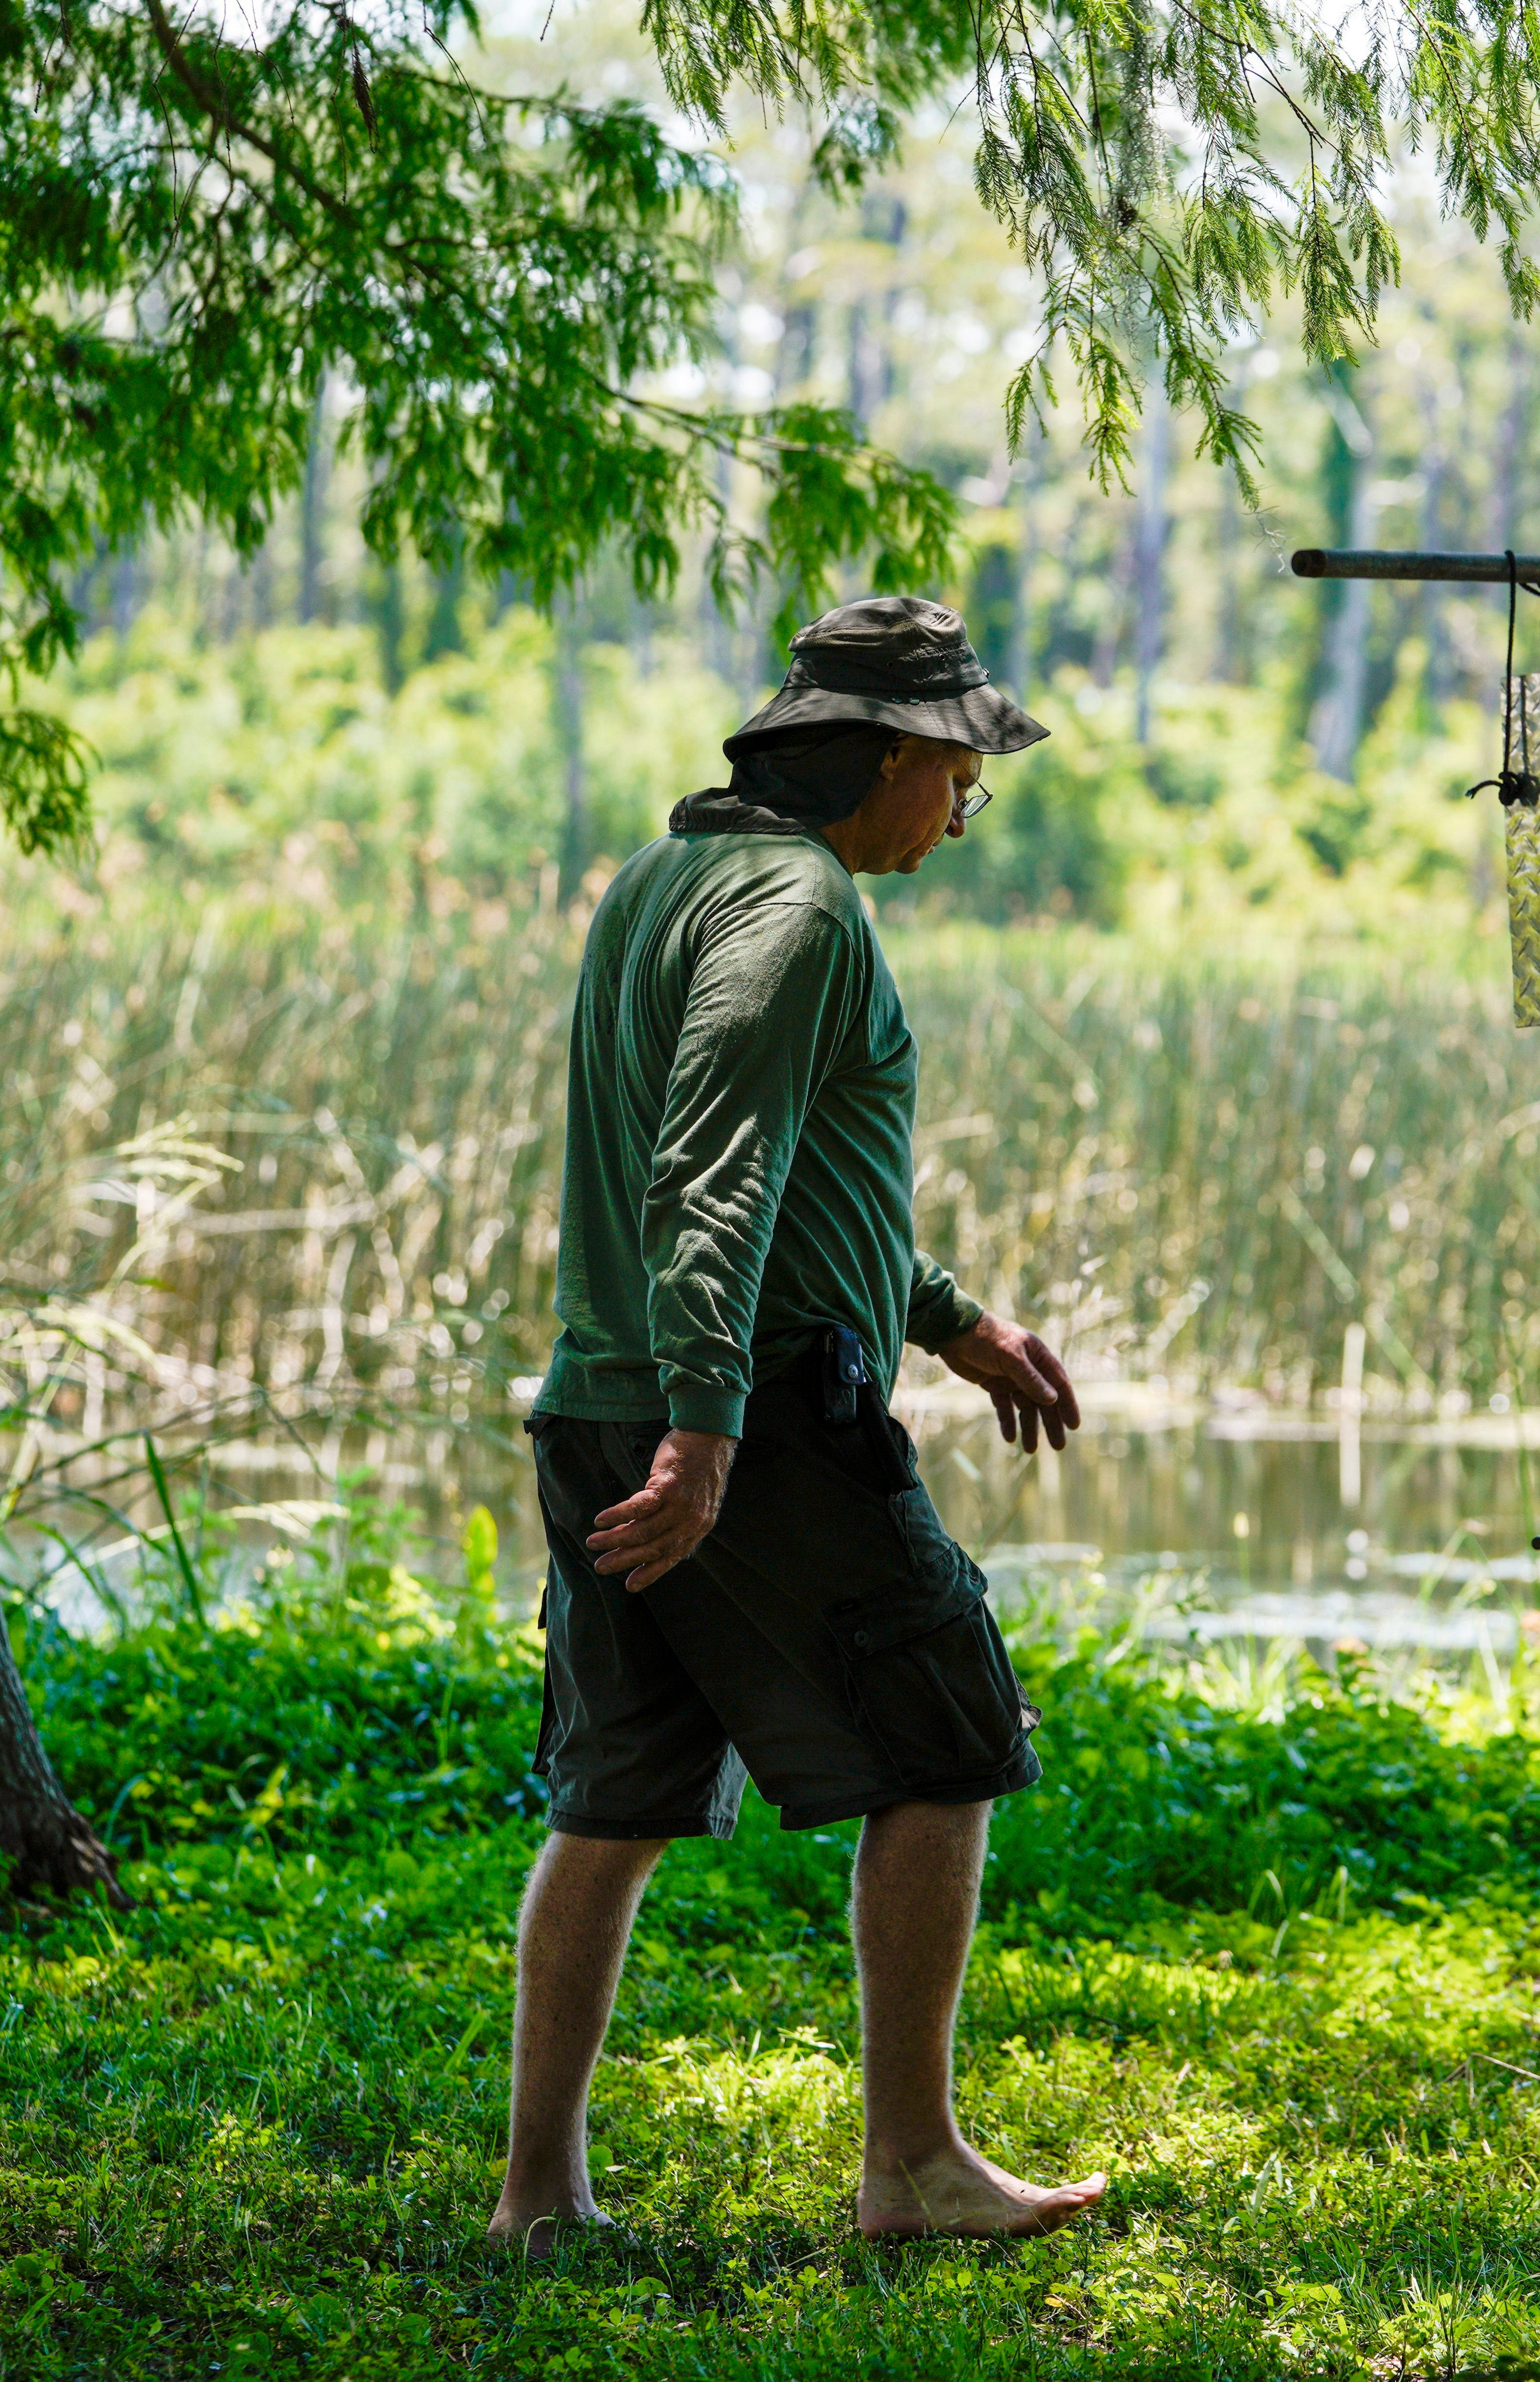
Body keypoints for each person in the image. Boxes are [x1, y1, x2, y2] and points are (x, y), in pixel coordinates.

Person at [489, 596, 1106, 2246]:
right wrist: (710, 1435)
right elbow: (714, 1172)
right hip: (744, 1415)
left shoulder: (662, 881)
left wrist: (954, 1320)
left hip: (602, 1402)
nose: (964, 813)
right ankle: (910, 2163)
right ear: (890, 756)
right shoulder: (802, 906)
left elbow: (791, 1178)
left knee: (613, 1798)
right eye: (961, 777)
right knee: (945, 1734)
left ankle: (536, 2195)